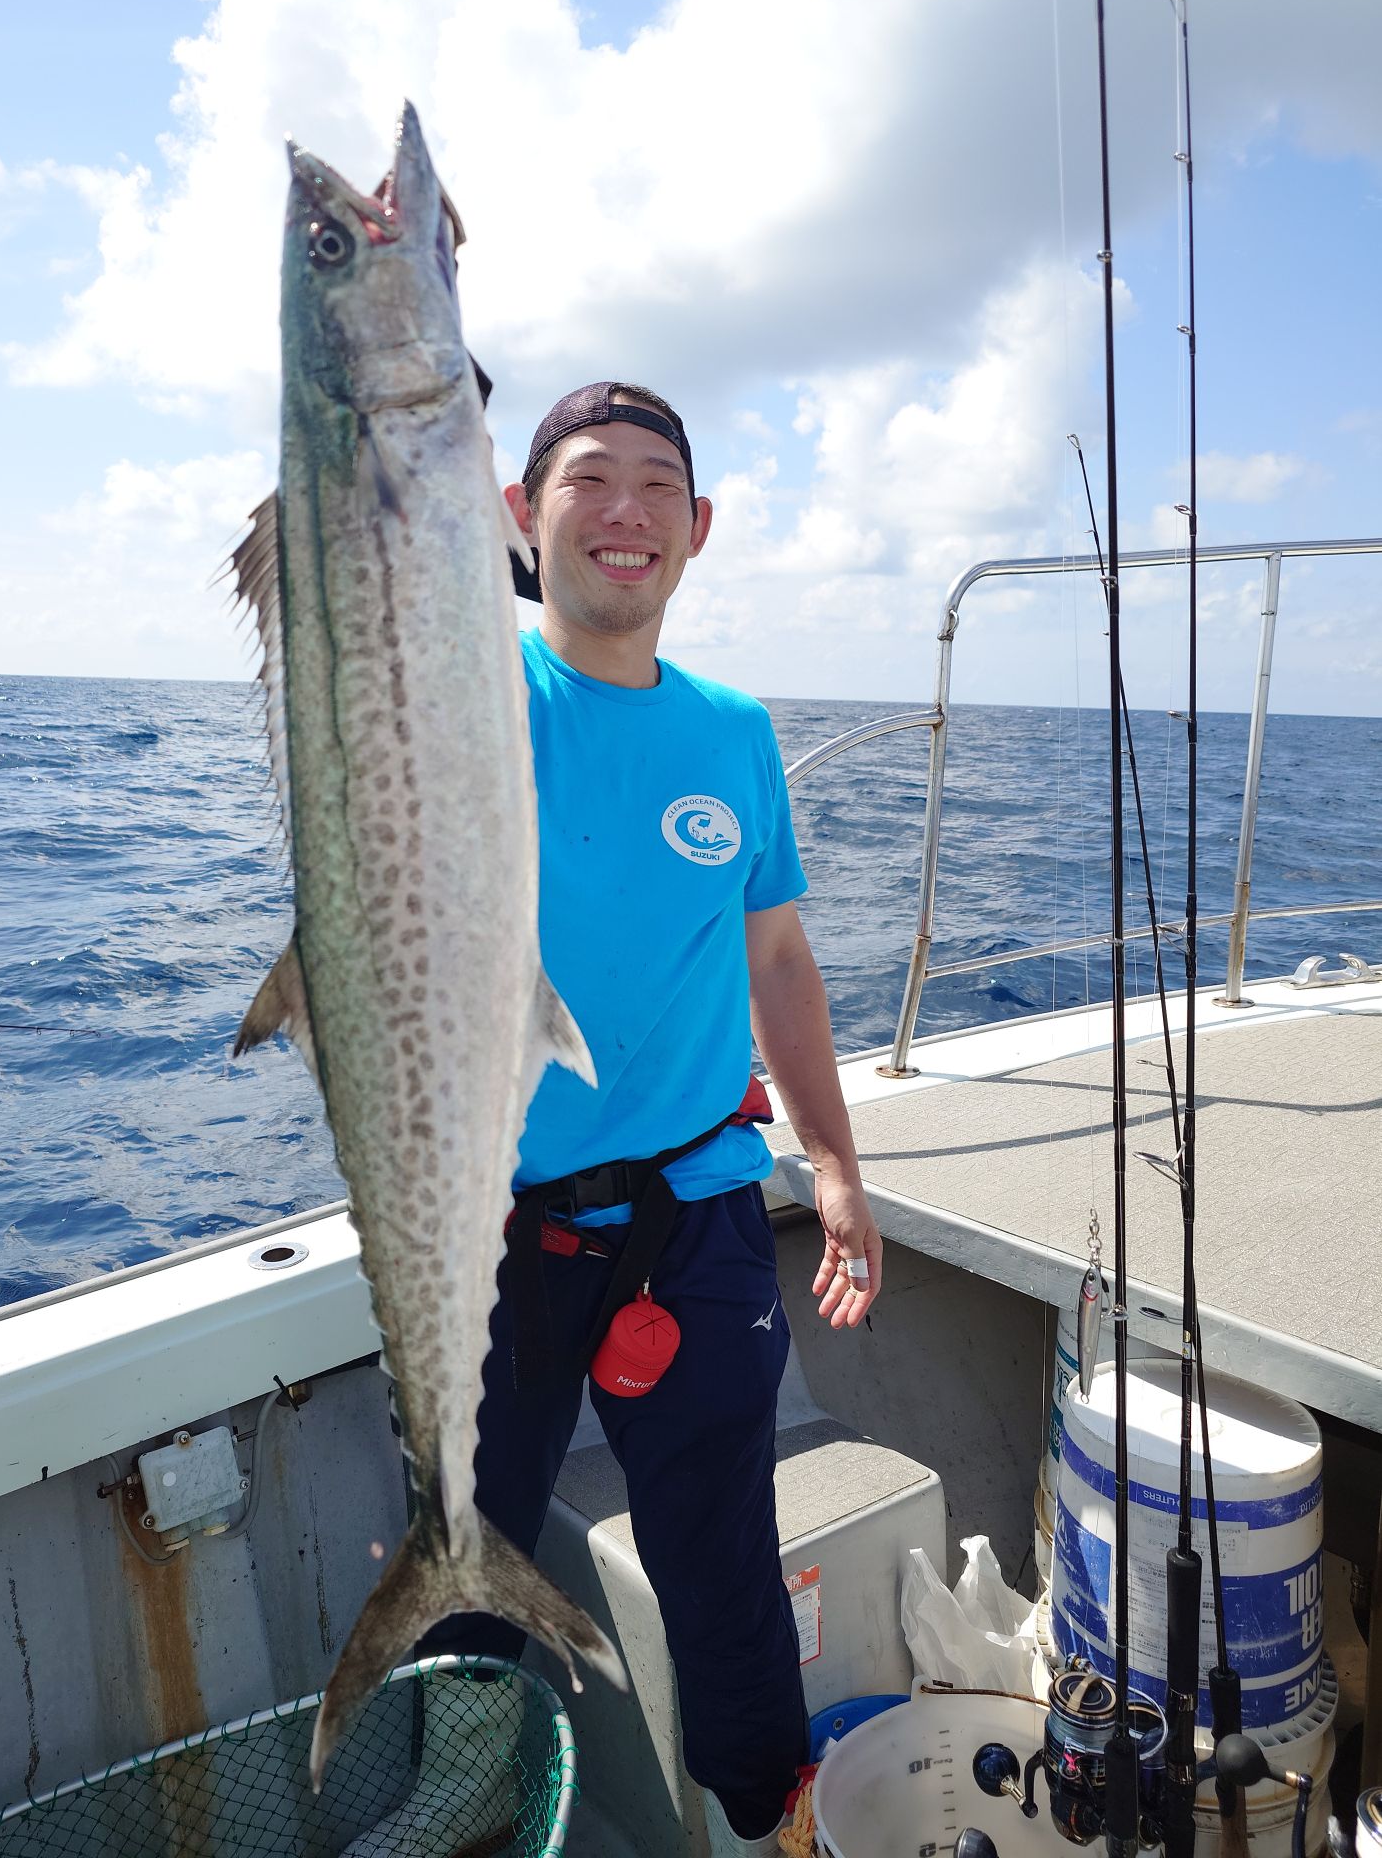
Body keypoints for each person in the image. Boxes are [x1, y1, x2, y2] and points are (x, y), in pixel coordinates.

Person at [432, 381, 882, 1858]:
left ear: (699, 529)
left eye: (657, 486)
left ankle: (771, 1825)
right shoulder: (461, 691)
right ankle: (467, 1805)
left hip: (697, 1219)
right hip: (490, 1230)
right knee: (468, 1556)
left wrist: (835, 1165)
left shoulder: (735, 733)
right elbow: (375, 566)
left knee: (727, 1567)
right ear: (519, 514)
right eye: (587, 480)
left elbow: (779, 960)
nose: (624, 512)